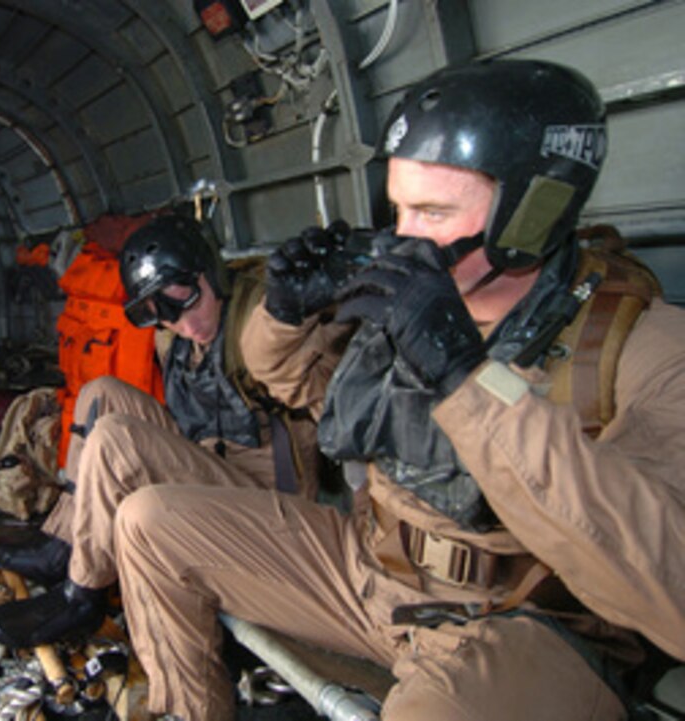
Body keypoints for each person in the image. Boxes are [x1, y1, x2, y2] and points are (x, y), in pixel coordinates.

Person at [112, 59, 685, 720]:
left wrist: (467, 378)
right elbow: (310, 391)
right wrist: (285, 311)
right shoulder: (418, 297)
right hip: (371, 567)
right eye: (399, 207)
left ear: (531, 215)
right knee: (149, 522)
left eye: (433, 211)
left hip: (509, 620)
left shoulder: (647, 349)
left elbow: (671, 590)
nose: (404, 236)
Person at [0, 214, 333, 647]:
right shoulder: (174, 338)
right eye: (165, 315)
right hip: (210, 470)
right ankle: (61, 541)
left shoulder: (256, 325)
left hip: (266, 500)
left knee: (115, 438)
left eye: (188, 299)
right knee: (100, 393)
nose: (186, 324)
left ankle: (82, 595)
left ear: (209, 274)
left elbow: (289, 351)